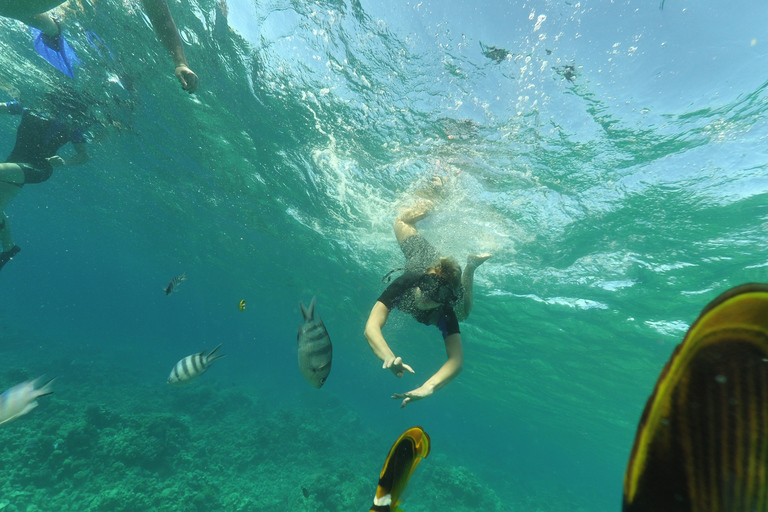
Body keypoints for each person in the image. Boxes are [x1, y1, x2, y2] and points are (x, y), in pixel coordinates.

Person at [364, 190, 492, 408]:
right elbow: (371, 326)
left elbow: (456, 361)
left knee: (464, 314)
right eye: (428, 286)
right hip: (421, 258)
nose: (428, 296)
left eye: (439, 294)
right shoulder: (409, 280)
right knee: (401, 220)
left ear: (446, 298)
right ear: (422, 280)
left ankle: (470, 268)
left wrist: (428, 387)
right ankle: (435, 197)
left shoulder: (446, 309)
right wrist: (388, 357)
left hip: (444, 276)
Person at [0, 0, 198, 92]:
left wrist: (180, 62)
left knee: (49, 22)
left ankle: (54, 28)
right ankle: (54, 29)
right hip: (24, 11)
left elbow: (162, 18)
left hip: (34, 14)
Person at [0, 99, 90, 272]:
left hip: (38, 169)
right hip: (14, 165)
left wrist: (64, 162)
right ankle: (9, 247)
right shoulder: (27, 104)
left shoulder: (71, 123)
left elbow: (84, 155)